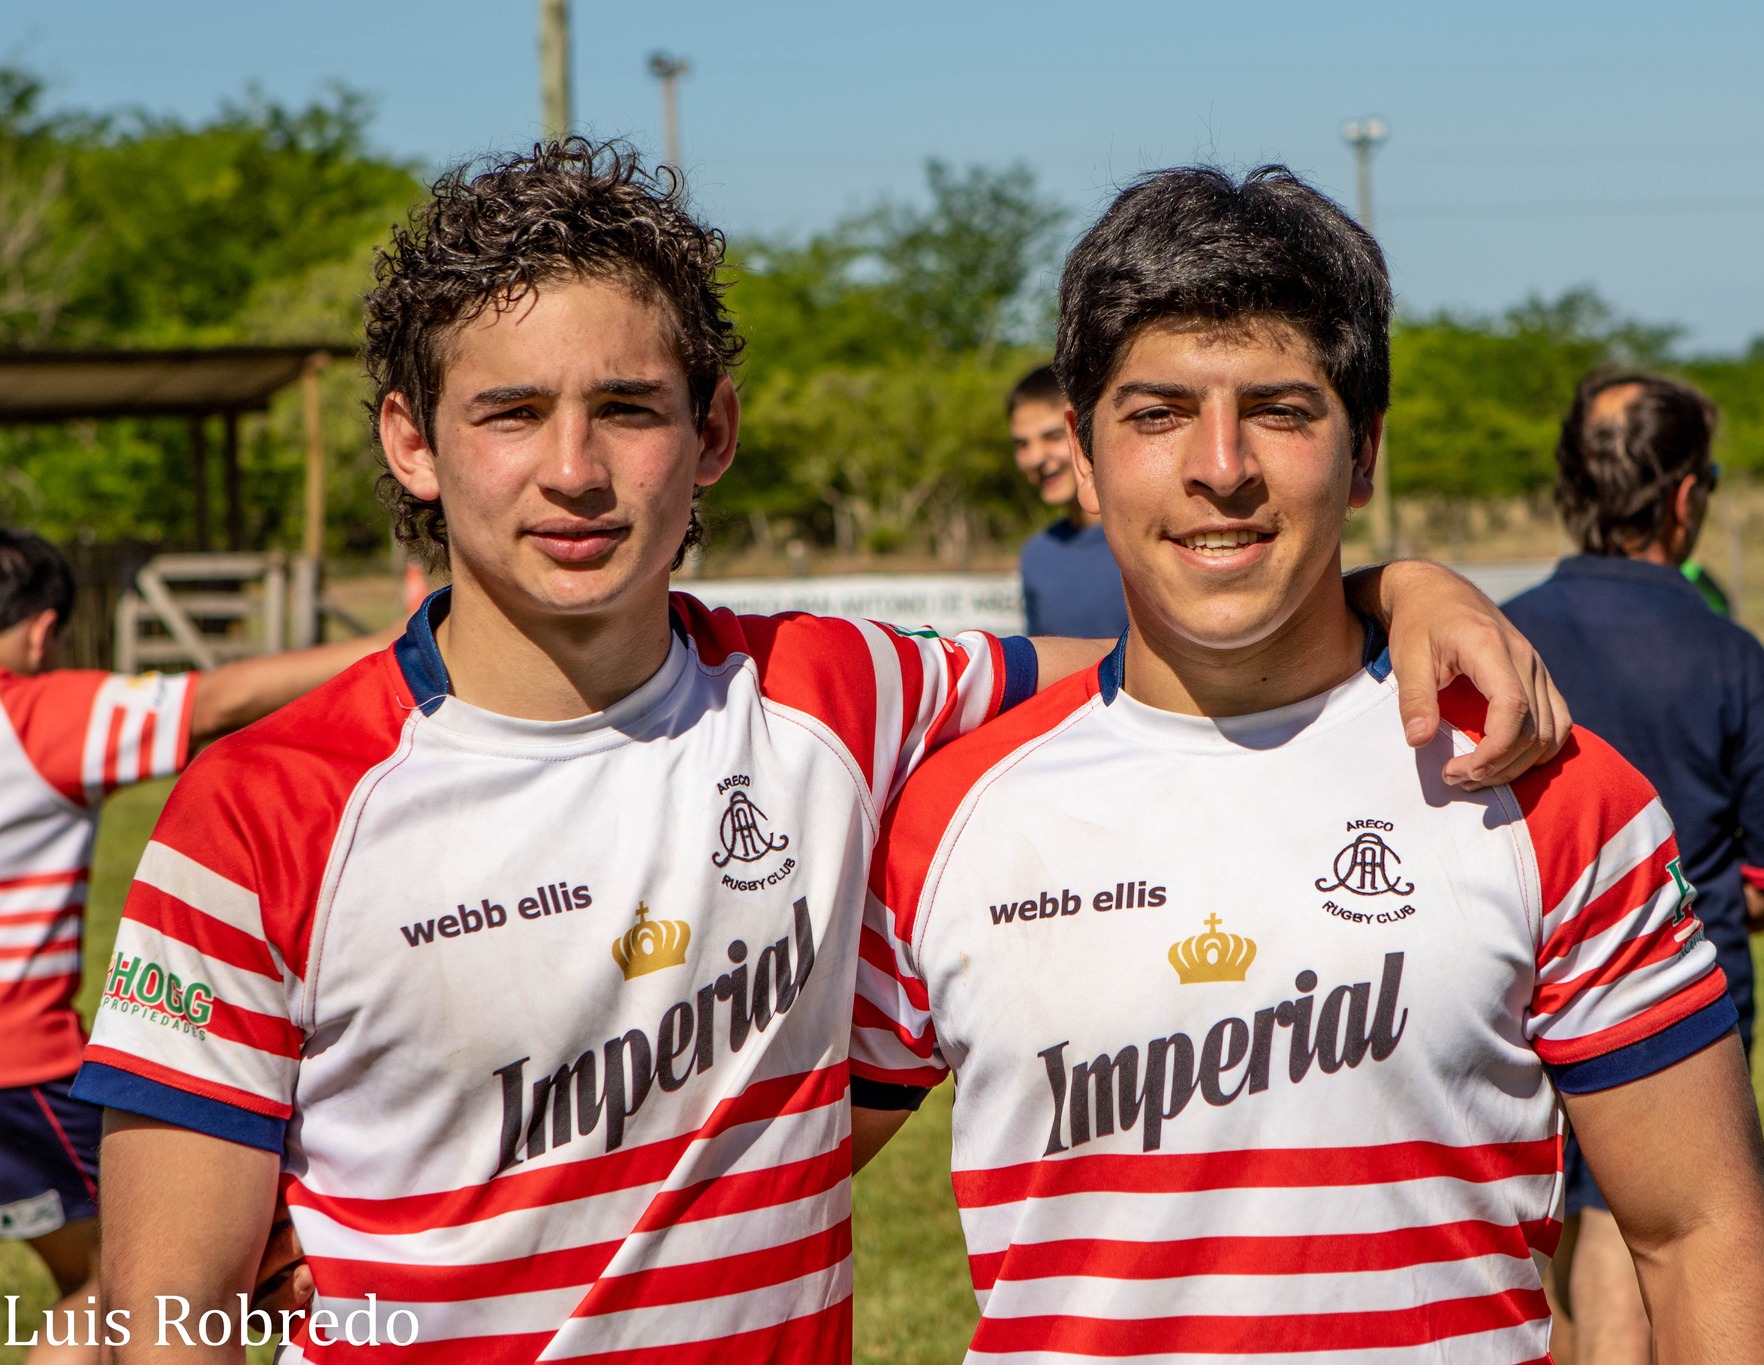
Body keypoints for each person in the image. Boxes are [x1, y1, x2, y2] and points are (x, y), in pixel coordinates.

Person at [75, 140, 1569, 1364]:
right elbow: (162, 1316)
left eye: (631, 410)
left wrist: (1402, 588)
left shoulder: (834, 693)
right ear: (413, 442)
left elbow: (1177, 646)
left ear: (712, 431)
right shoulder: (258, 812)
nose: (576, 469)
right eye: (512, 413)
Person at [850, 165, 1764, 1364]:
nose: (1221, 465)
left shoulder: (1546, 785)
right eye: (1154, 414)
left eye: (1280, 409)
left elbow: (1701, 1233)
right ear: (1082, 462)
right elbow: (719, 1195)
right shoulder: (947, 817)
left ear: (1361, 457)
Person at [0, 527, 407, 1365]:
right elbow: (216, 701)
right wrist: (413, 643)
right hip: (20, 1069)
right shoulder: (36, 717)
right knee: (127, 1291)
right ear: (41, 631)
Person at [1503, 373, 1764, 1364]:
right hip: (1665, 1004)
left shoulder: (1489, 637)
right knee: (1627, 1227)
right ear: (1684, 498)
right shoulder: (1728, 654)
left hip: (1505, 983)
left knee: (1533, 1229)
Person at [1011, 364, 1127, 637]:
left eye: (1052, 437)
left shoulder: (1147, 540)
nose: (1036, 457)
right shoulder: (1037, 555)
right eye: (1022, 444)